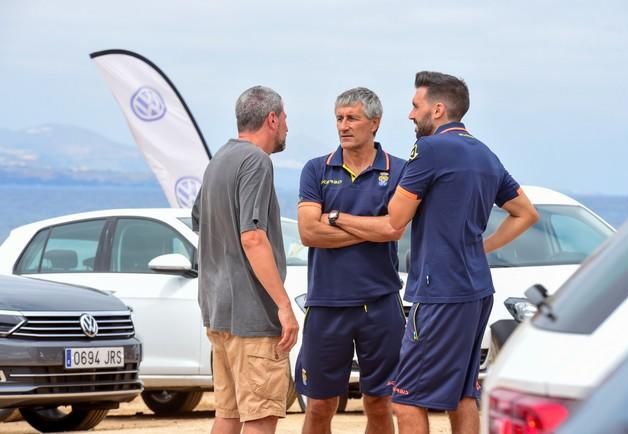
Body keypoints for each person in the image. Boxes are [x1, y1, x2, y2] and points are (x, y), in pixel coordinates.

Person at [387, 72, 539, 434]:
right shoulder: (484, 153)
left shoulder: (429, 149)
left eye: (415, 105)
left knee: (406, 399)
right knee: (462, 395)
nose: (410, 114)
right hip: (476, 288)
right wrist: (482, 246)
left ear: (438, 109)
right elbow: (526, 213)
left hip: (440, 289)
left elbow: (396, 218)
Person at [296, 87, 407, 434]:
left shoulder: (399, 170)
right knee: (319, 406)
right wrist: (373, 227)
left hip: (380, 304)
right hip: (326, 304)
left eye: (352, 118)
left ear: (375, 123)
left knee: (379, 403)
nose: (343, 126)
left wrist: (335, 217)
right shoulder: (316, 169)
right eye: (339, 118)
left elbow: (394, 229)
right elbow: (308, 233)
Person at [195, 85, 299, 434]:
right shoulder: (256, 161)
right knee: (259, 417)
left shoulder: (219, 160)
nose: (287, 126)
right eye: (284, 118)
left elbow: (200, 219)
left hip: (218, 311)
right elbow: (253, 236)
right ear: (272, 119)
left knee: (228, 415)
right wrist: (283, 305)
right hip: (253, 317)